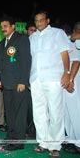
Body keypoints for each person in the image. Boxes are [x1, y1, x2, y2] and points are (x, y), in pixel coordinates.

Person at [29, 11, 70, 158]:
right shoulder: (32, 37)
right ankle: (43, 142)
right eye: (36, 21)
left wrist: (67, 73)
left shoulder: (58, 33)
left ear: (47, 20)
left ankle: (55, 145)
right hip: (36, 79)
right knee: (39, 112)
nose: (39, 23)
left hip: (53, 78)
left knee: (55, 112)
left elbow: (64, 53)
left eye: (41, 20)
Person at [0, 15, 31, 151]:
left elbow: (26, 62)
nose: (3, 29)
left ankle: (18, 142)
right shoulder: (1, 43)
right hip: (7, 85)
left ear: (13, 26)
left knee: (19, 114)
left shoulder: (22, 39)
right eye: (1, 26)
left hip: (18, 84)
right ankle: (10, 137)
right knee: (9, 113)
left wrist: (23, 81)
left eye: (6, 26)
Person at [61, 21, 80, 154]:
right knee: (67, 112)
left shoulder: (73, 41)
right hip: (68, 80)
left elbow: (75, 61)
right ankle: (72, 139)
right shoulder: (69, 40)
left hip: (74, 80)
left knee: (75, 111)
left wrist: (71, 79)